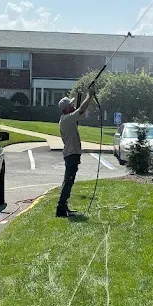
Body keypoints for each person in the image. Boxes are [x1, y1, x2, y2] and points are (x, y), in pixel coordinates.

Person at [56, 87, 95, 217]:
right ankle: (60, 208)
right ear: (66, 108)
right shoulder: (66, 119)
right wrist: (89, 96)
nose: (73, 106)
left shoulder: (67, 119)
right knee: (68, 181)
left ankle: (63, 207)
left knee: (69, 181)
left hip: (72, 154)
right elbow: (81, 109)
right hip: (71, 154)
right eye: (71, 105)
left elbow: (81, 111)